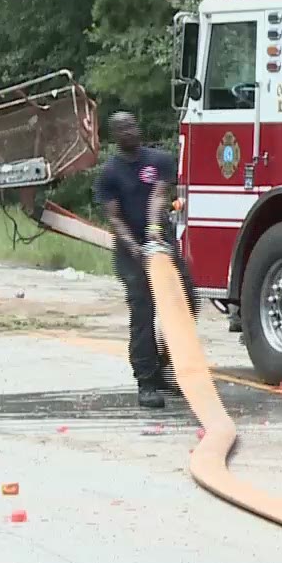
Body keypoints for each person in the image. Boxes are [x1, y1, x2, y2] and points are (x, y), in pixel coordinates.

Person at [94, 111, 199, 409]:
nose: (129, 131)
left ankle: (165, 363)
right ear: (114, 135)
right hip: (130, 253)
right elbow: (114, 218)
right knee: (143, 311)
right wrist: (134, 246)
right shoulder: (110, 173)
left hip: (160, 244)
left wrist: (154, 231)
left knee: (187, 302)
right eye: (122, 128)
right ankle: (147, 381)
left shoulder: (158, 160)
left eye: (131, 125)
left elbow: (158, 196)